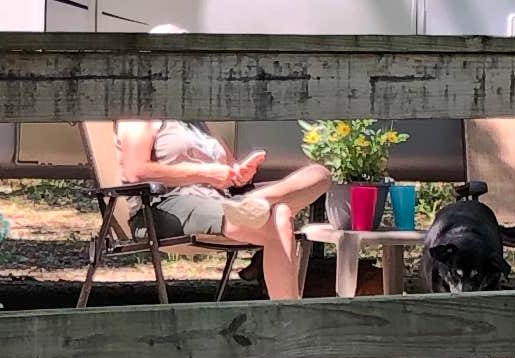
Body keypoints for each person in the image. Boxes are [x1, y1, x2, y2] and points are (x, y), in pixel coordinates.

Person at [108, 116, 342, 301]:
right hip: (167, 205)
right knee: (278, 215)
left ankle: (260, 200)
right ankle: (292, 323)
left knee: (320, 175)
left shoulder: (196, 121)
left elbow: (228, 173)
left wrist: (239, 174)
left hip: (223, 199)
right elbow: (136, 171)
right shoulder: (142, 115)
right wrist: (205, 174)